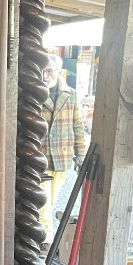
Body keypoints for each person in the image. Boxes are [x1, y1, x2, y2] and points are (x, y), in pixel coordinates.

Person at [40, 54, 86, 241]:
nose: (45, 75)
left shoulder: (71, 95)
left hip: (61, 157)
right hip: (40, 157)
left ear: (59, 72)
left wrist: (81, 154)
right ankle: (46, 241)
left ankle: (44, 240)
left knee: (50, 201)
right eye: (42, 71)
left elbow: (77, 126)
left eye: (49, 71)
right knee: (42, 201)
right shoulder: (34, 93)